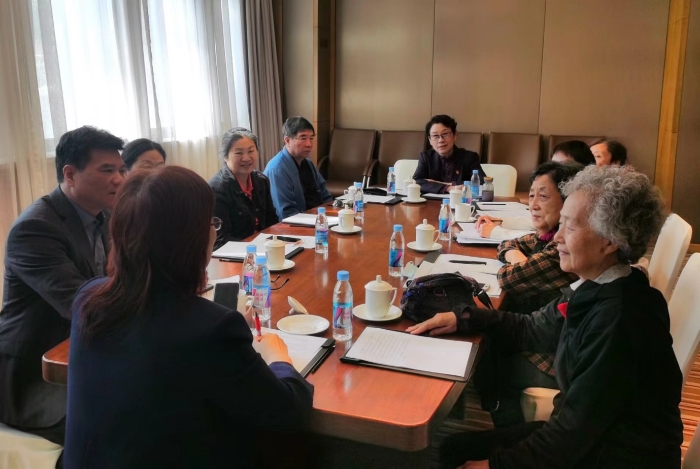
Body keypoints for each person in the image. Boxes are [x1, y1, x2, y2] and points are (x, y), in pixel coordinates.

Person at [409, 165, 683, 469]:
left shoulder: (620, 319)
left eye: (571, 227)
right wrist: (463, 318)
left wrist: (494, 466)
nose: (557, 238)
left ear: (610, 241)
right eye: (560, 223)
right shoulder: (595, 286)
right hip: (593, 439)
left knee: (462, 453)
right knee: (456, 447)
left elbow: (571, 436)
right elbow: (532, 328)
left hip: (617, 455)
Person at [63, 166, 313, 468]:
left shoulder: (88, 297)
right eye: (210, 222)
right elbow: (288, 413)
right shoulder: (212, 329)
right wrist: (278, 357)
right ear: (191, 239)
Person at [0, 126, 126, 446]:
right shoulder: (36, 228)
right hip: (34, 374)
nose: (119, 179)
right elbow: (82, 304)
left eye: (121, 169)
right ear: (70, 174)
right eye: (107, 170)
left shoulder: (106, 214)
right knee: (118, 419)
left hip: (85, 349)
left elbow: (122, 280)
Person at [477, 162, 583, 313]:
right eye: (532, 195)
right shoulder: (546, 235)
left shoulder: (562, 248)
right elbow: (508, 244)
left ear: (568, 202)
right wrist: (518, 258)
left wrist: (519, 263)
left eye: (543, 196)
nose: (533, 205)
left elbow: (508, 277)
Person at [209, 128, 278, 250]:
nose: (246, 158)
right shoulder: (218, 188)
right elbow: (220, 240)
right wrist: (255, 247)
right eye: (238, 153)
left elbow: (272, 222)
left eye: (251, 151)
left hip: (265, 249)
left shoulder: (261, 180)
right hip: (236, 254)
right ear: (225, 157)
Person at [264, 117, 332, 219]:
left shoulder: (308, 163)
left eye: (311, 138)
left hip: (319, 219)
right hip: (295, 224)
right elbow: (286, 213)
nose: (309, 144)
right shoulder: (277, 169)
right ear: (287, 140)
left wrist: (333, 214)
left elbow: (325, 196)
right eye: (303, 138)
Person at [413, 114, 486, 194]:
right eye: (435, 136)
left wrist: (446, 184)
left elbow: (482, 182)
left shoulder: (470, 157)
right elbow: (416, 181)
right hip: (432, 201)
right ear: (430, 140)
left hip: (461, 200)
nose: (441, 140)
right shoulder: (426, 157)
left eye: (445, 134)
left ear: (455, 136)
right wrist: (448, 188)